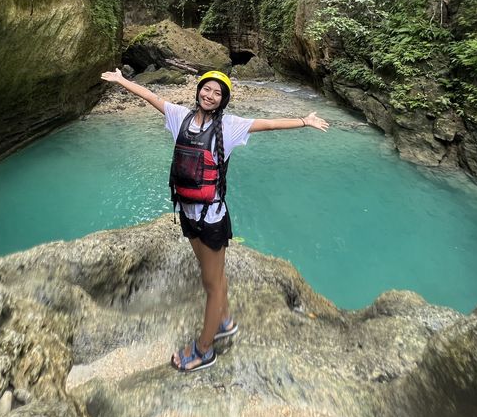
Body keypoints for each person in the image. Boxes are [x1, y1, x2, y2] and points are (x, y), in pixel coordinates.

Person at [99, 67, 329, 372]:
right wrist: (122, 81)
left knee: (212, 283)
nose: (209, 95)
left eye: (217, 93)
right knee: (213, 276)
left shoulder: (230, 127)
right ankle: (225, 321)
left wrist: (304, 121)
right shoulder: (180, 117)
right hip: (188, 213)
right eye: (206, 89)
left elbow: (270, 124)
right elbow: (152, 96)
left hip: (211, 219)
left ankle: (204, 350)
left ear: (223, 100)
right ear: (198, 91)